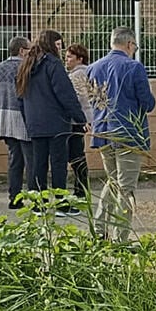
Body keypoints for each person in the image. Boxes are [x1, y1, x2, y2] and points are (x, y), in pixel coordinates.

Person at [88, 26, 156, 241]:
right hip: (128, 133)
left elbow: (93, 101)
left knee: (113, 181)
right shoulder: (134, 67)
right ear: (129, 44)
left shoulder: (93, 68)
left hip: (103, 132)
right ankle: (121, 238)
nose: (134, 49)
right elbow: (147, 103)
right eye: (134, 46)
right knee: (126, 188)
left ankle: (99, 230)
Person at [16, 30, 86, 215]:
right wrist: (80, 118)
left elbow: (20, 97)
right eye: (58, 44)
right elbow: (66, 95)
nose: (60, 49)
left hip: (35, 123)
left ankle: (39, 204)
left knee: (38, 164)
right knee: (58, 163)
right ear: (50, 44)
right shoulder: (53, 65)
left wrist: (28, 119)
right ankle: (61, 204)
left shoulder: (27, 65)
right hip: (57, 123)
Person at [0, 36, 33, 209]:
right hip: (22, 117)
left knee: (14, 160)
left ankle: (14, 197)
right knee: (31, 160)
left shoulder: (0, 67)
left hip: (3, 117)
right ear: (22, 50)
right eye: (29, 50)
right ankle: (36, 199)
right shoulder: (24, 66)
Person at [66, 42, 94, 201]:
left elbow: (78, 97)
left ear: (79, 59)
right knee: (77, 153)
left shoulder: (77, 74)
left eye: (70, 57)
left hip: (77, 118)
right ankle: (81, 188)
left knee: (76, 155)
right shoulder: (87, 72)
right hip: (84, 117)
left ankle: (81, 190)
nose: (67, 60)